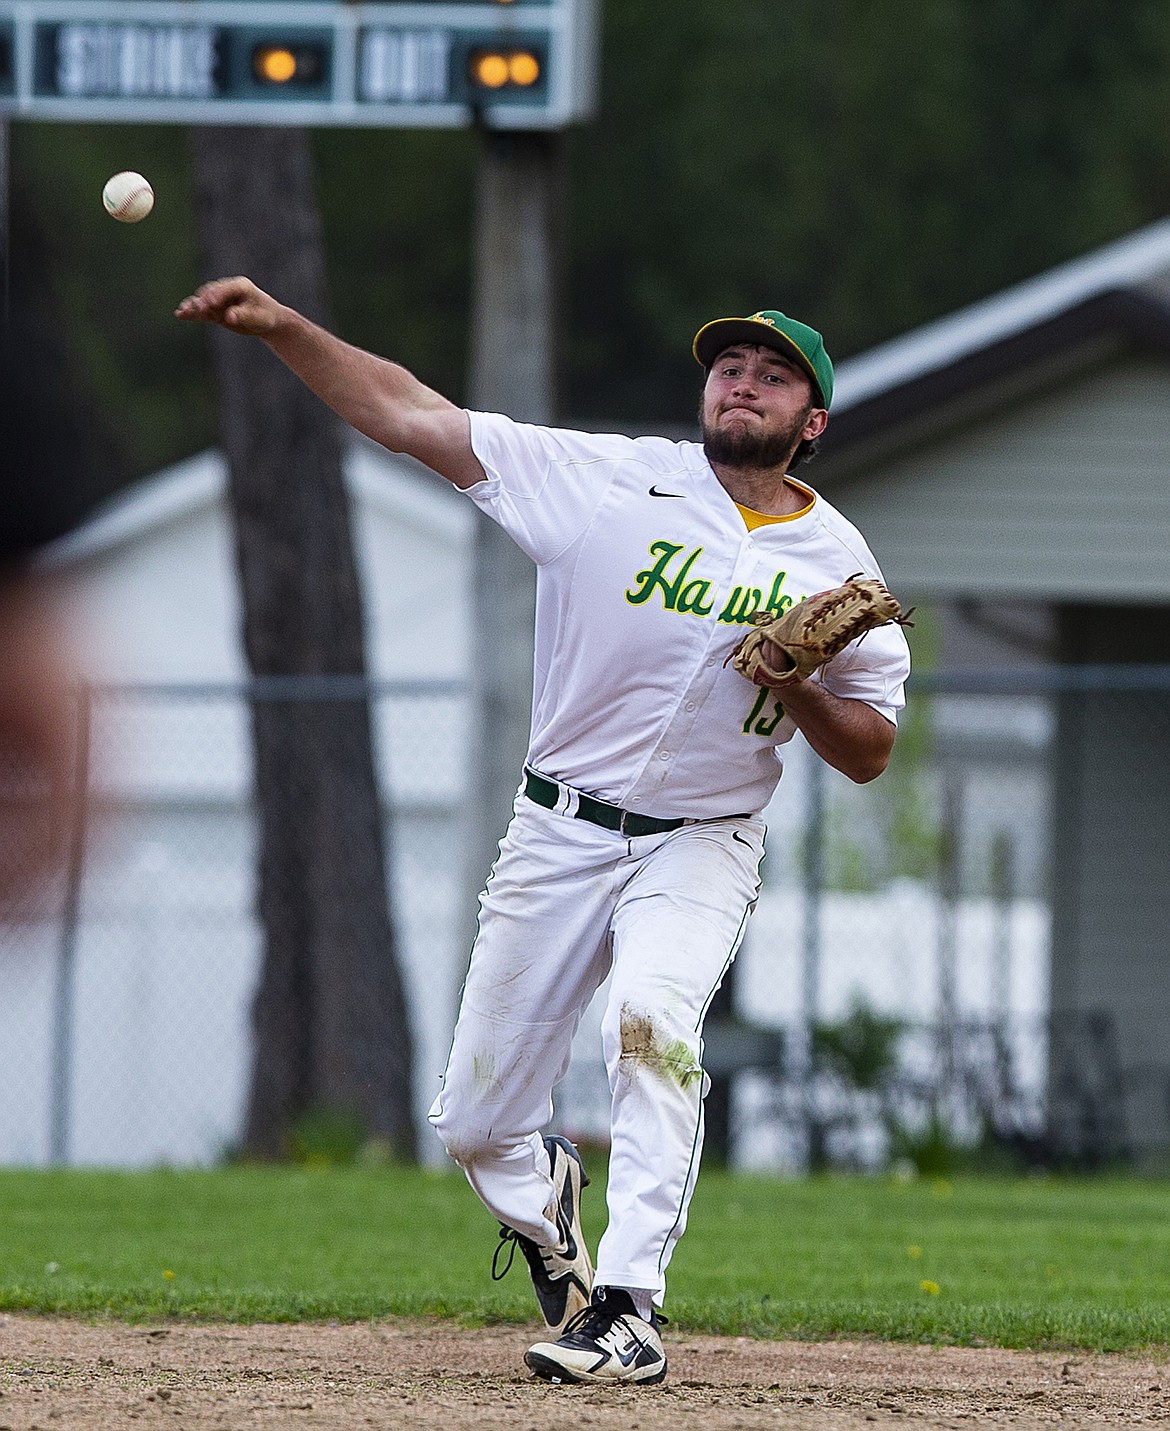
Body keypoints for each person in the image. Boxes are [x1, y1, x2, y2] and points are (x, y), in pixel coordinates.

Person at [176, 284, 911, 1386]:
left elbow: (869, 750)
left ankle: (625, 1308)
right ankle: (546, 1201)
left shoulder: (840, 562)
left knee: (650, 1022)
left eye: (775, 373)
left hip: (702, 840)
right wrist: (285, 330)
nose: (744, 380)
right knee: (475, 1125)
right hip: (558, 829)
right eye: (730, 365)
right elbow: (412, 412)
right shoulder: (611, 482)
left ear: (811, 421)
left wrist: (797, 683)